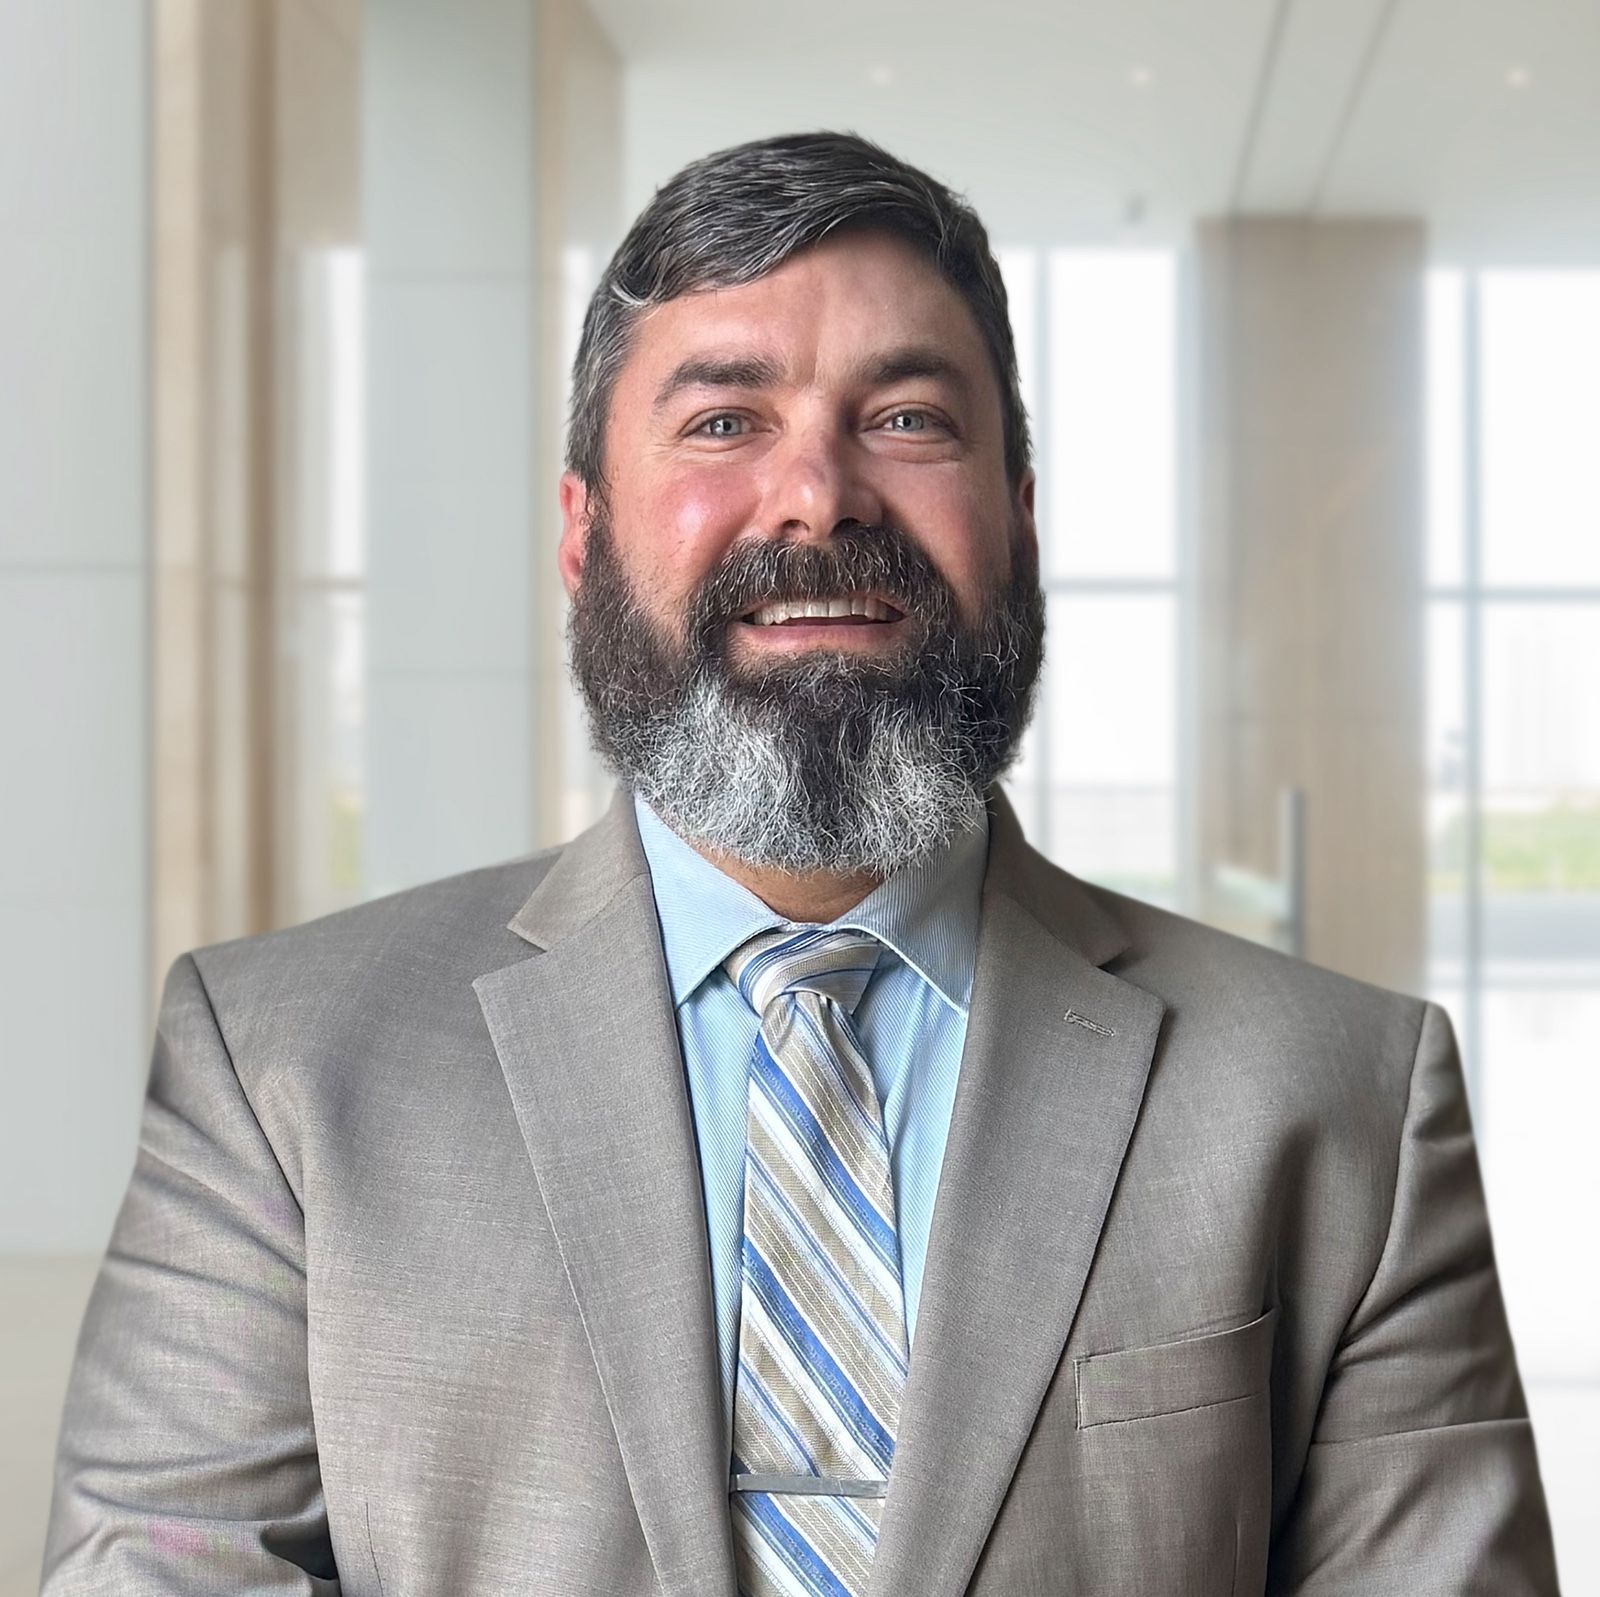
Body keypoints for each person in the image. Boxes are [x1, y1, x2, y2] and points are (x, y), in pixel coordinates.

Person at [42, 131, 1558, 1597]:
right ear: (584, 536)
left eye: (907, 419)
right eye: (722, 420)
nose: (819, 494)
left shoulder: (1340, 1099)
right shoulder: (282, 1072)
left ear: (1020, 525)